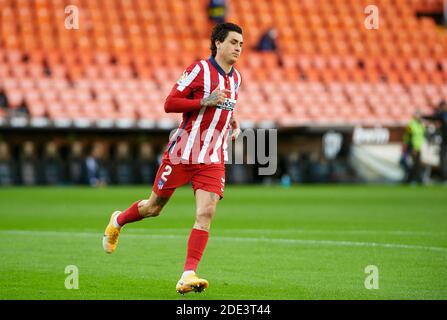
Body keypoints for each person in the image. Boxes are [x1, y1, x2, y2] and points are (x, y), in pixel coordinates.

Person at [102, 22, 243, 294]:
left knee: (206, 212)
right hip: (182, 153)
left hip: (212, 156)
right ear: (218, 43)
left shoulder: (237, 78)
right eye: (234, 42)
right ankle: (118, 221)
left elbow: (224, 107)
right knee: (154, 207)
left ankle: (187, 274)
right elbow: (170, 103)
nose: (238, 48)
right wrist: (203, 101)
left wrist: (232, 122)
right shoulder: (199, 70)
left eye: (241, 44)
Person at [422, 100, 447, 181]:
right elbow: (434, 117)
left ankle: (444, 177)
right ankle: (444, 177)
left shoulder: (443, 115)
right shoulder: (442, 115)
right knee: (442, 159)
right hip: (444, 140)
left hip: (445, 140)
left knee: (442, 159)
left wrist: (422, 117)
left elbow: (434, 117)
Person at [401, 110, 426, 184]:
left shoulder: (421, 124)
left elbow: (421, 136)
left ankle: (409, 180)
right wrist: (410, 147)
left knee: (416, 165)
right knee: (416, 165)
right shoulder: (411, 125)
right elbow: (407, 136)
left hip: (419, 147)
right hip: (413, 147)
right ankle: (418, 181)